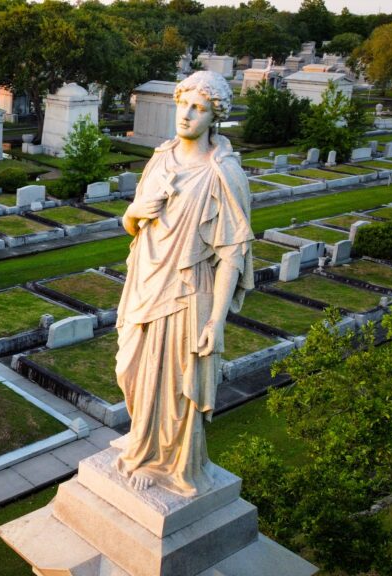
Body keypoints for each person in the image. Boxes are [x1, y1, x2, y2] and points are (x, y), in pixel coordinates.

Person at [113, 71, 254, 498]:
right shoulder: (160, 158)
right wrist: (137, 211)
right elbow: (132, 225)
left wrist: (217, 321)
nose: (187, 114)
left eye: (199, 107)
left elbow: (232, 253)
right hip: (145, 280)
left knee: (174, 382)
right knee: (131, 369)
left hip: (190, 291)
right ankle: (142, 441)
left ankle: (167, 461)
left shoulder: (223, 173)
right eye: (183, 104)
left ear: (215, 116)